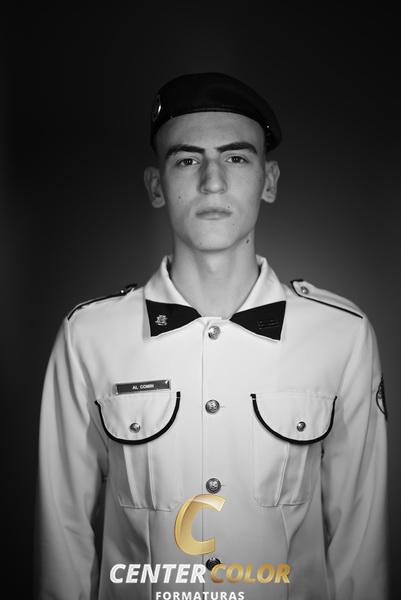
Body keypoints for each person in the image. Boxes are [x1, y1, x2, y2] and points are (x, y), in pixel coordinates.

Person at [35, 72, 388, 600]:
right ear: (156, 186)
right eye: (187, 160)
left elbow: (361, 551)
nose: (213, 182)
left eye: (236, 158)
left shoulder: (342, 336)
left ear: (269, 180)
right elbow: (63, 543)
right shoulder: (88, 337)